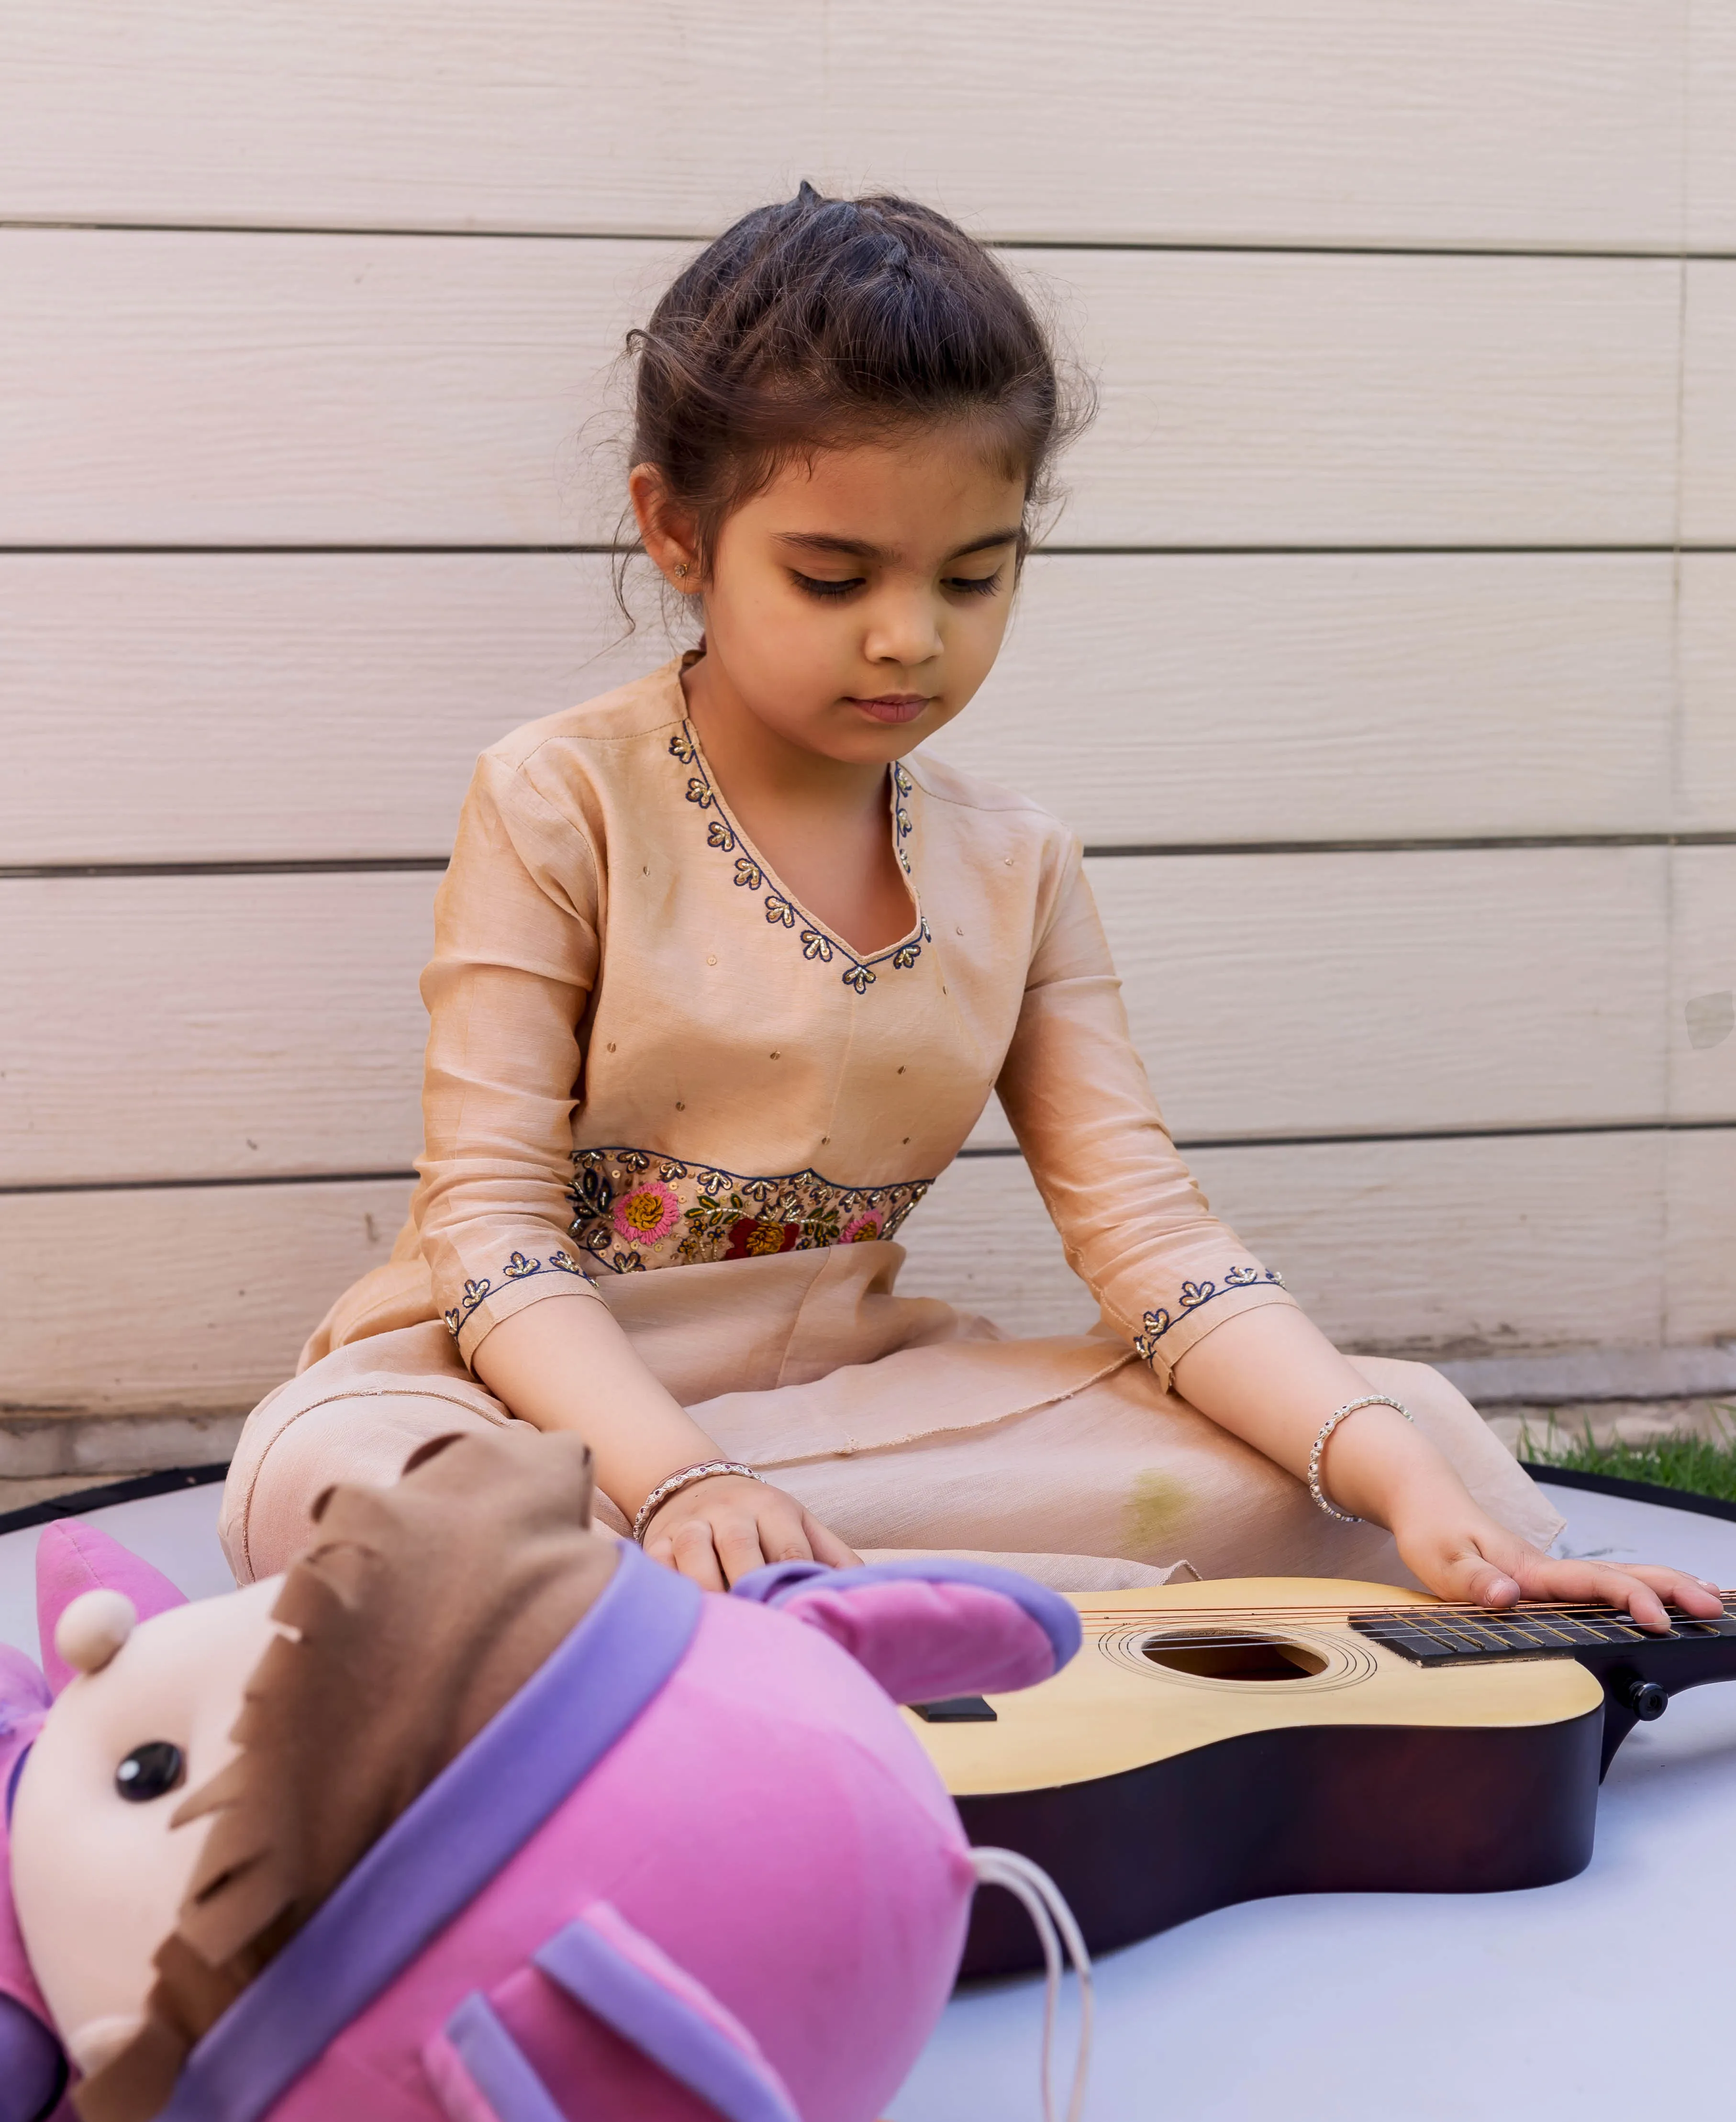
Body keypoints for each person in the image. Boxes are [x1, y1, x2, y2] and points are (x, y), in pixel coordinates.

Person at [221, 186, 1716, 1632]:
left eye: (973, 577)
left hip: (854, 1412)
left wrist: (1394, 1477)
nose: (906, 638)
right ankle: (774, 1576)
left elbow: (1149, 1242)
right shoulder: (559, 798)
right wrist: (676, 1474)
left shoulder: (1018, 863)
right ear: (676, 535)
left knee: (1414, 1427)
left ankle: (752, 1604)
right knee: (350, 1486)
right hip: (520, 1397)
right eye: (830, 575)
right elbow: (486, 1232)